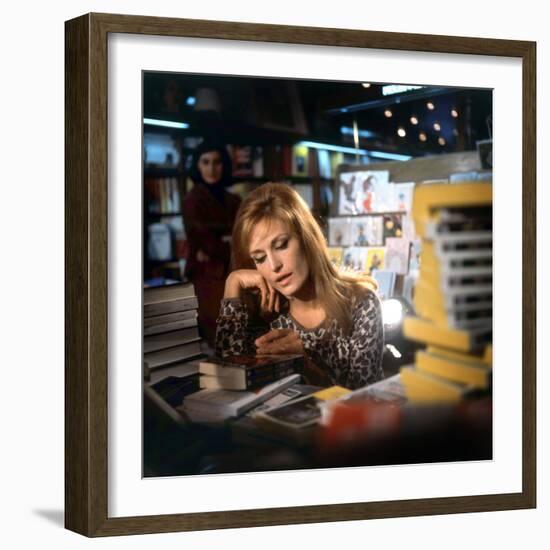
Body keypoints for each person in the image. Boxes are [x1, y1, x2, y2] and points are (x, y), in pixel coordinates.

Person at [215, 183, 384, 390]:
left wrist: (304, 363)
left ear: (306, 238)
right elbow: (227, 382)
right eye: (260, 258)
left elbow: (363, 399)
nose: (274, 265)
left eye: (281, 245)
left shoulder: (361, 304)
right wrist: (232, 283)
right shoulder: (267, 313)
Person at [182, 142, 241, 347]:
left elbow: (242, 237)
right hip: (206, 275)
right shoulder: (192, 200)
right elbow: (206, 242)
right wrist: (228, 243)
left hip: (230, 270)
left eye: (217, 162)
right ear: (198, 166)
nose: (211, 168)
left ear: (223, 165)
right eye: (205, 162)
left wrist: (225, 242)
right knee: (219, 335)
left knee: (239, 332)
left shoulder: (234, 199)